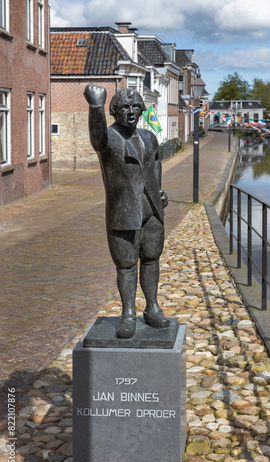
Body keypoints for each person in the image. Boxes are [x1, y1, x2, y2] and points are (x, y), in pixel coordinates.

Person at [84, 83, 169, 339]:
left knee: (152, 258)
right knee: (126, 265)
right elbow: (96, 138)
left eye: (135, 107)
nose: (130, 112)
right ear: (114, 111)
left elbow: (155, 165)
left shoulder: (148, 137)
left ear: (142, 109)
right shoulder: (109, 139)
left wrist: (160, 191)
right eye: (124, 107)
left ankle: (152, 307)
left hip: (152, 211)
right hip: (124, 213)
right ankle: (129, 313)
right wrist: (95, 105)